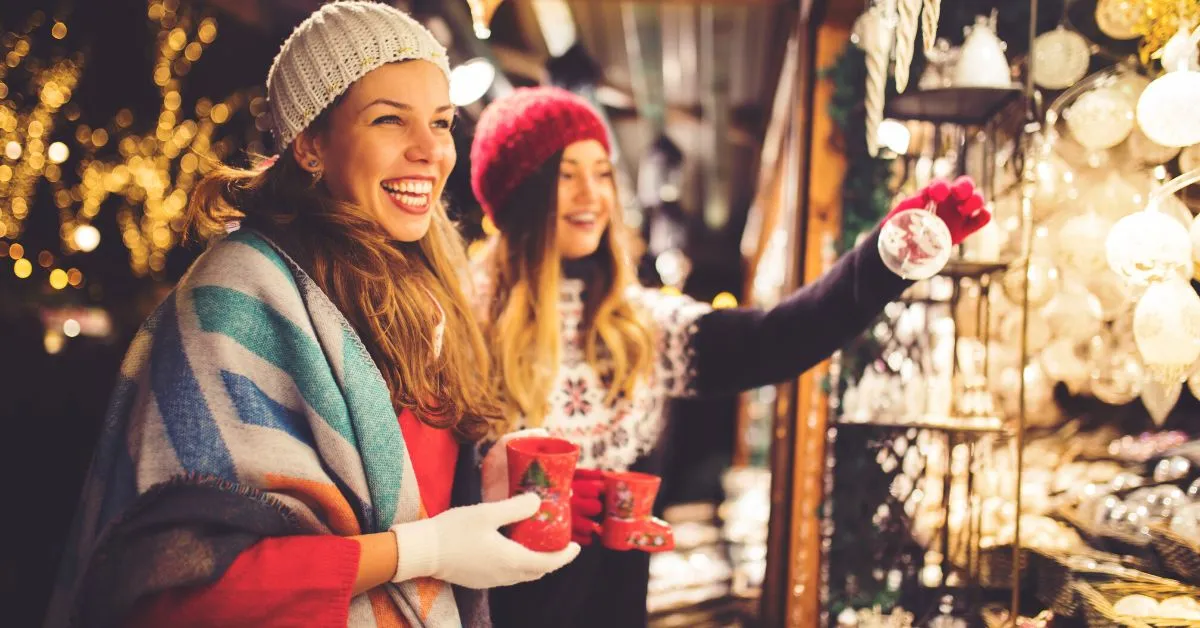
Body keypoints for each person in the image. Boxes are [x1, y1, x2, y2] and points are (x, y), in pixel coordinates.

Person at [45, 5, 577, 628]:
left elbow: (411, 492)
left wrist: (482, 481)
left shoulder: (430, 292)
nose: (430, 150)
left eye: (440, 122)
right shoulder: (234, 301)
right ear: (311, 144)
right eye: (388, 120)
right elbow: (179, 587)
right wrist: (425, 550)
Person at [468, 86, 990, 627]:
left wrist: (883, 258)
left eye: (602, 172)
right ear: (519, 191)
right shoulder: (462, 325)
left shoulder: (641, 326)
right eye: (565, 173)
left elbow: (776, 338)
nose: (591, 194)